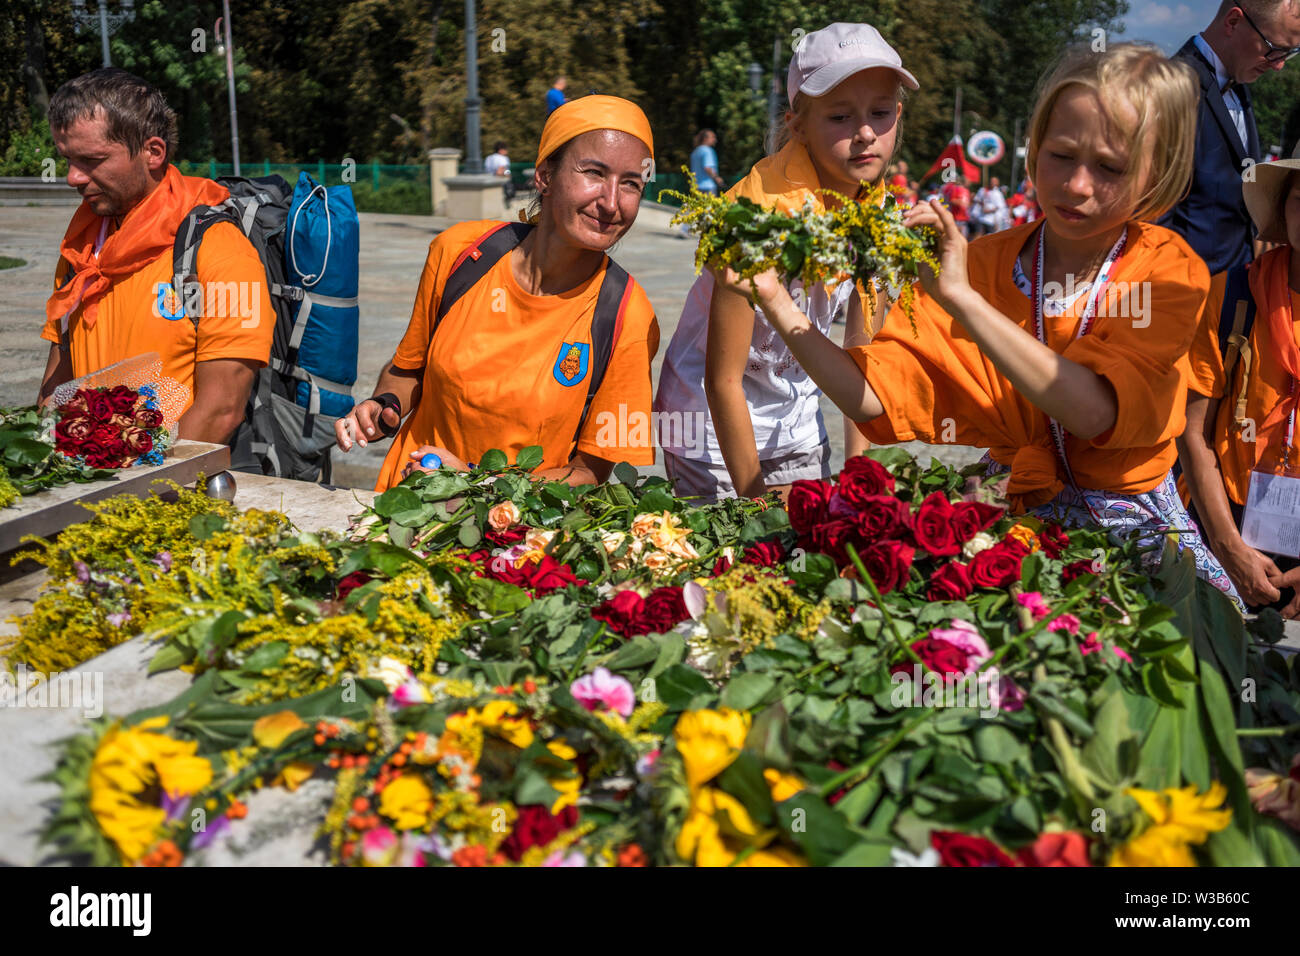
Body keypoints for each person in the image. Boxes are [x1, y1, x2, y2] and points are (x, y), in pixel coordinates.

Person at [711, 43, 1241, 603]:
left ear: (1159, 174)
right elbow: (872, 399)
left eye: (1110, 167)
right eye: (1061, 155)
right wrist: (777, 302)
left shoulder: (1168, 267)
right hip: (1009, 511)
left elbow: (1094, 413)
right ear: (1034, 146)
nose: (1077, 185)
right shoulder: (985, 259)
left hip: (1127, 526)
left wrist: (964, 301)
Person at [336, 95, 660, 491]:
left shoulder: (628, 314)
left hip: (514, 540)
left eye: (631, 184)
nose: (612, 203)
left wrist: (474, 483)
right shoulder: (459, 253)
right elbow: (408, 369)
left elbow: (590, 472)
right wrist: (384, 406)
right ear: (544, 176)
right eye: (594, 172)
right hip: (405, 509)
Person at [655, 22, 917, 502]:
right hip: (708, 427)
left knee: (807, 551)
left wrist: (861, 474)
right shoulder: (753, 218)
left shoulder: (880, 210)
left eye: (880, 113)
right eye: (839, 117)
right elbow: (722, 379)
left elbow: (864, 355)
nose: (864, 133)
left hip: (795, 419)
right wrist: (754, 504)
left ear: (897, 115)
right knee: (738, 559)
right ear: (798, 125)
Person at [39, 68, 274, 444]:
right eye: (67, 159)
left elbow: (221, 410)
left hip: (170, 489)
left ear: (153, 152)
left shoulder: (219, 249)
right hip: (92, 480)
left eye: (92, 160)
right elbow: (58, 380)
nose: (72, 178)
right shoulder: (82, 249)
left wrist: (138, 485)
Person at [1179, 143, 1300, 615]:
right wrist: (1229, 549)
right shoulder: (1232, 295)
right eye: (1299, 199)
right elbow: (1192, 432)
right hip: (1227, 530)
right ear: (1282, 209)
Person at [1161, 1, 1300, 275]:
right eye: (1274, 50)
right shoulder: (1170, 90)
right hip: (1185, 294)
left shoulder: (1241, 82)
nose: (1279, 66)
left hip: (1233, 293)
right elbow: (1155, 216)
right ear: (1233, 22)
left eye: (1291, 53)